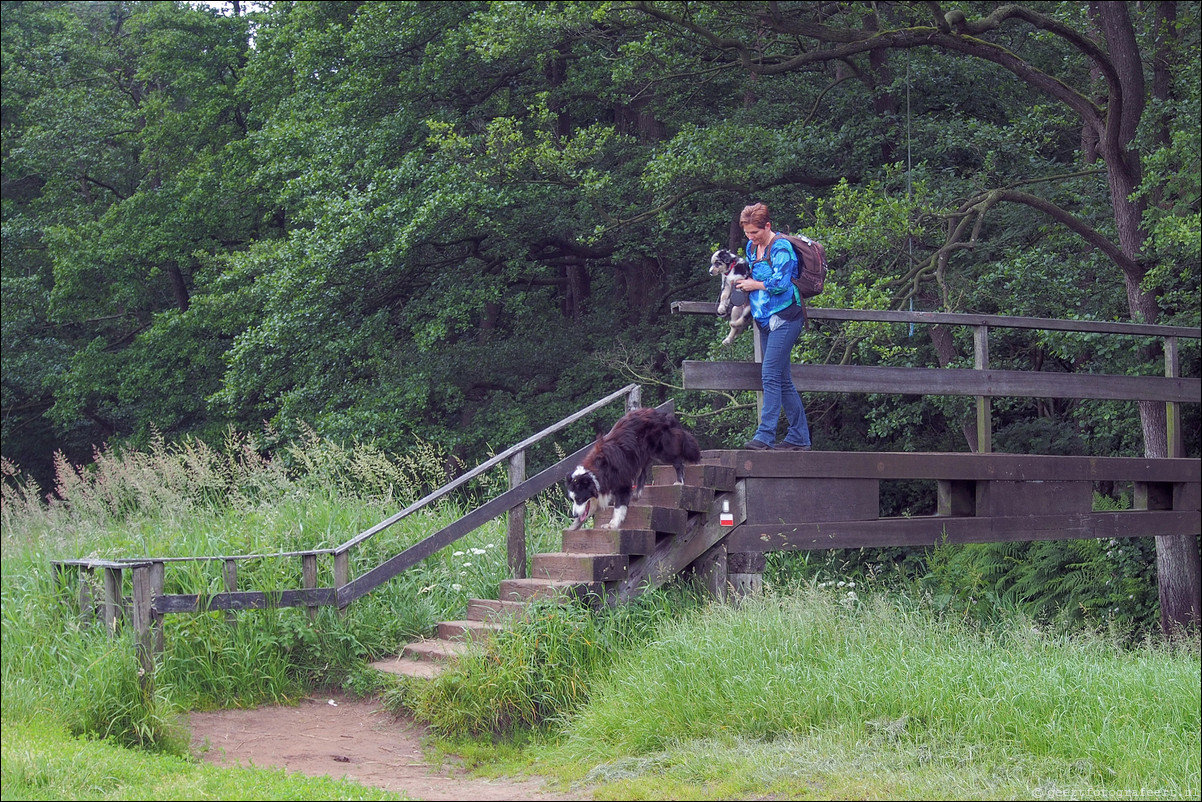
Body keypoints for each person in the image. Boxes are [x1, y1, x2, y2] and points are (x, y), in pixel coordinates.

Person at [735, 202, 812, 451]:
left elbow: (782, 282)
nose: (750, 238)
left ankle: (765, 436)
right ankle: (799, 436)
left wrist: (753, 285)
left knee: (769, 375)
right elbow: (751, 274)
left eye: (754, 232)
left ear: (767, 226)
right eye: (747, 233)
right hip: (765, 320)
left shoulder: (781, 247)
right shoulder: (751, 246)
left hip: (787, 317)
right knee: (782, 379)